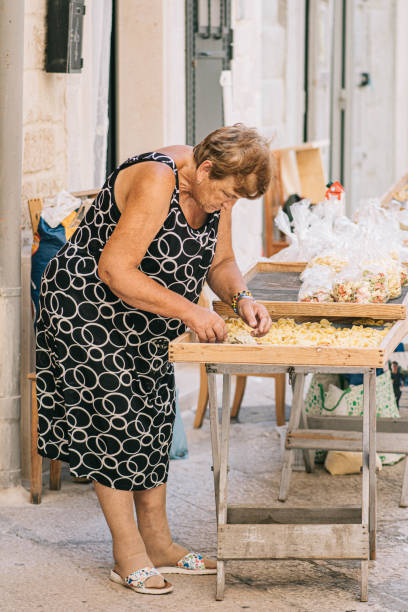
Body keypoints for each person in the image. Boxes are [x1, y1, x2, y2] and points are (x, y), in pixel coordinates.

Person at [36, 124, 273, 595]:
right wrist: (189, 310)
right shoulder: (157, 179)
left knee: (154, 421)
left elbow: (221, 263)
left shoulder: (215, 192)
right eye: (227, 195)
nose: (228, 205)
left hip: (146, 319)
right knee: (113, 426)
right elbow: (115, 268)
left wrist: (242, 297)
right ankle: (128, 555)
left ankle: (159, 543)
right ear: (205, 169)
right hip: (87, 310)